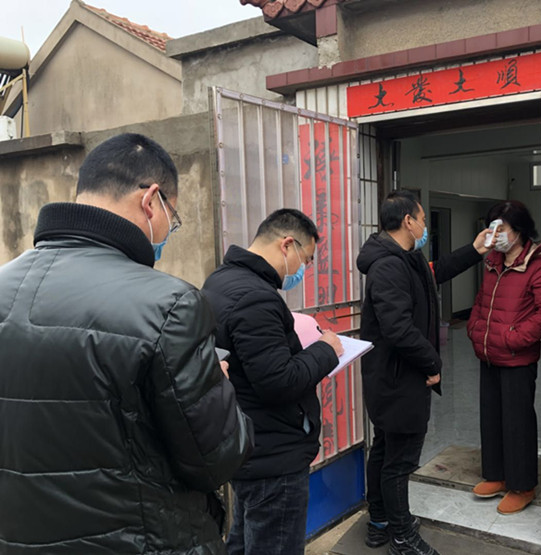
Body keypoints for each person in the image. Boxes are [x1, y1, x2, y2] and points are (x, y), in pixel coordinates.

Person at [0, 133, 254, 554]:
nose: (168, 232)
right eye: (173, 218)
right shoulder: (169, 304)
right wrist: (217, 386)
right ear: (151, 200)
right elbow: (218, 458)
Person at [357, 190, 493, 555]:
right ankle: (402, 536)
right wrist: (432, 364)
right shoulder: (388, 267)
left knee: (385, 449)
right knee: (398, 461)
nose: (424, 226)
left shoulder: (405, 258)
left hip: (393, 376)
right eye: (421, 219)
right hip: (398, 379)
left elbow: (436, 273)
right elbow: (398, 328)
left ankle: (380, 521)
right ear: (408, 221)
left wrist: (475, 249)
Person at [201, 209, 344, 555]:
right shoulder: (255, 297)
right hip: (273, 455)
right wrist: (326, 350)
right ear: (287, 245)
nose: (303, 270)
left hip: (247, 442)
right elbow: (279, 382)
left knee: (244, 539)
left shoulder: (220, 280)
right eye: (306, 260)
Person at [466, 200, 541, 515]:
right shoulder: (492, 261)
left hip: (516, 357)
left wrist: (512, 338)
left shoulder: (536, 264)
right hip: (488, 353)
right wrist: (475, 329)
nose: (495, 235)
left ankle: (523, 485)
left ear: (520, 230)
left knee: (517, 422)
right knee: (492, 417)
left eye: (502, 229)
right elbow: (481, 300)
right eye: (492, 228)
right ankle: (496, 475)